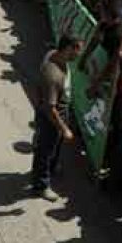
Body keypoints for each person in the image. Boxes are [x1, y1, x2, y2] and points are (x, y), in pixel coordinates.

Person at [30, 35, 82, 200]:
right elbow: (50, 108)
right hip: (50, 119)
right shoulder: (53, 75)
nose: (79, 53)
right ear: (68, 48)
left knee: (53, 147)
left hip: (59, 113)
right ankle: (40, 185)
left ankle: (51, 167)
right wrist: (64, 128)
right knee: (44, 151)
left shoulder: (55, 55)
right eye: (78, 49)